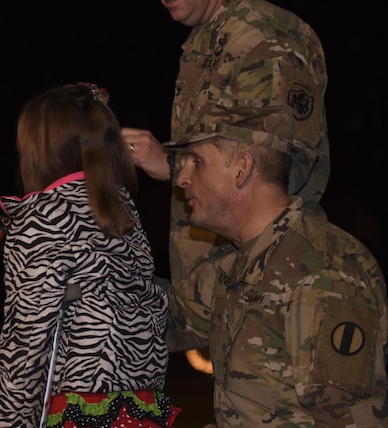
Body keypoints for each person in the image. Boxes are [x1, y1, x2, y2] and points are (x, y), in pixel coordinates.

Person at [120, 0, 330, 293]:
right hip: (224, 293)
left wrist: (172, 164)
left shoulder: (265, 39)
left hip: (271, 291)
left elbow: (281, 176)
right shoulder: (205, 42)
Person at [158, 99, 388, 427]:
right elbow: (159, 318)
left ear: (242, 168)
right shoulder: (234, 262)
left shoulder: (323, 273)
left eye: (196, 161)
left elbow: (346, 421)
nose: (181, 177)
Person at [0, 82, 180, 427]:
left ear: (38, 151)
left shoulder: (40, 217)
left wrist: (11, 421)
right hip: (140, 408)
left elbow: (26, 339)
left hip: (81, 408)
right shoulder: (121, 208)